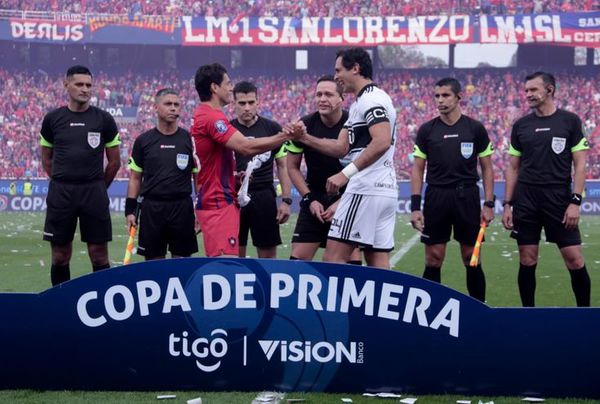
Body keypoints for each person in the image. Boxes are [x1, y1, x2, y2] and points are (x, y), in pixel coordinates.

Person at [293, 47, 397, 269]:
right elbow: (341, 148)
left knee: (333, 260)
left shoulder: (372, 99)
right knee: (377, 260)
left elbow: (381, 141)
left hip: (365, 188)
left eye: (339, 70)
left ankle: (339, 305)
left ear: (356, 69)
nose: (337, 76)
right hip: (383, 188)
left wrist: (344, 174)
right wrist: (304, 138)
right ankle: (374, 305)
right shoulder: (361, 103)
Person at [191, 63, 298, 257]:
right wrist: (286, 135)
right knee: (225, 265)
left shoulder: (210, 115)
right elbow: (245, 147)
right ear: (215, 87)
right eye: (228, 83)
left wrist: (232, 178)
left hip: (230, 194)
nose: (230, 88)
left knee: (233, 264)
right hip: (217, 200)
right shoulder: (212, 118)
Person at [502, 71, 591, 307]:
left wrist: (575, 201)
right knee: (527, 259)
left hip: (559, 199)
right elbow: (513, 168)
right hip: (527, 200)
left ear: (549, 90)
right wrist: (507, 204)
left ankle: (586, 317)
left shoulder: (570, 121)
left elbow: (580, 164)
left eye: (533, 90)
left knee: (574, 259)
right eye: (526, 90)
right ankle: (528, 316)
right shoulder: (521, 125)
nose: (528, 94)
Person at [410, 77, 494, 303]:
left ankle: (479, 312)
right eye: (437, 96)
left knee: (471, 257)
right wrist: (416, 207)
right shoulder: (427, 130)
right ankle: (430, 318)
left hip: (466, 195)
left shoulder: (475, 128)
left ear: (459, 97)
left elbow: (487, 167)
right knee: (433, 258)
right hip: (436, 196)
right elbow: (417, 170)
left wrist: (488, 203)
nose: (440, 100)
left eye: (445, 95)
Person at [40, 65, 121, 286]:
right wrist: (60, 180)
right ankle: (59, 307)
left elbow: (114, 162)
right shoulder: (52, 119)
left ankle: (102, 309)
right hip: (61, 193)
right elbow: (46, 158)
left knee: (99, 254)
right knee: (59, 255)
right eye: (79, 84)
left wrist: (97, 187)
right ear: (66, 85)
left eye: (88, 85)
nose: (85, 89)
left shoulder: (103, 119)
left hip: (93, 192)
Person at [287, 75, 361, 264]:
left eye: (328, 94)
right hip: (315, 198)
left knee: (347, 263)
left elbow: (364, 168)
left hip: (348, 199)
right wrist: (309, 199)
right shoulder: (304, 125)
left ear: (341, 98)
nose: (322, 99)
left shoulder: (354, 124)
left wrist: (343, 202)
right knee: (297, 262)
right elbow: (292, 167)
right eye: (318, 94)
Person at [125, 88, 199, 260]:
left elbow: (198, 179)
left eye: (176, 104)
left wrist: (200, 210)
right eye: (168, 104)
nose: (173, 108)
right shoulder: (143, 141)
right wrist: (130, 210)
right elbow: (135, 178)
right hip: (152, 209)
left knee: (182, 264)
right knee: (154, 265)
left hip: (182, 208)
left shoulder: (189, 140)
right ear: (156, 107)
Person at [230, 81, 292, 259]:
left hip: (264, 195)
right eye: (242, 103)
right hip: (234, 197)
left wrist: (286, 201)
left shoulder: (272, 128)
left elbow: (282, 166)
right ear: (234, 104)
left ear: (258, 102)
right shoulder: (227, 128)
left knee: (268, 260)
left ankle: (265, 287)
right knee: (234, 258)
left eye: (251, 102)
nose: (247, 108)